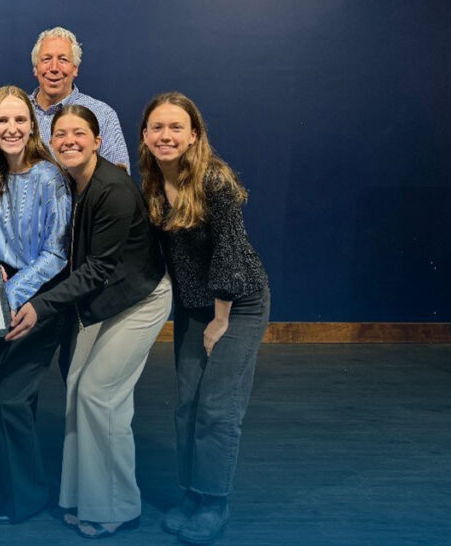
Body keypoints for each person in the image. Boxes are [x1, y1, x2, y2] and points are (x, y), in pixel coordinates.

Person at [8, 105, 172, 539]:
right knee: (79, 388)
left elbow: (98, 268)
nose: (69, 142)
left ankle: (119, 507)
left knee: (101, 395)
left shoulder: (113, 190)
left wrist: (40, 307)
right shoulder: (71, 181)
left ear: (98, 141)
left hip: (140, 298)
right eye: (60, 134)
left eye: (79, 134)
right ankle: (82, 497)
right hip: (101, 301)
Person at [139, 92, 269, 545]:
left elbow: (230, 254)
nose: (166, 135)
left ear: (194, 134)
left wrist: (220, 320)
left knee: (218, 407)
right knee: (187, 404)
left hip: (236, 303)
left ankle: (215, 502)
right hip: (194, 305)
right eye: (158, 127)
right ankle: (192, 494)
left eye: (176, 127)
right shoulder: (154, 183)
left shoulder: (215, 180)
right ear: (146, 135)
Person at [0, 85, 70, 525]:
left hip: (37, 302)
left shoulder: (50, 176)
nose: (11, 128)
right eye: (1, 120)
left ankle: (28, 497)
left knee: (9, 400)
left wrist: (12, 295)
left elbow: (56, 253)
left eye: (20, 120)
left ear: (32, 125)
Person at [28, 27, 130, 172]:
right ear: (35, 68)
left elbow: (118, 181)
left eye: (63, 59)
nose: (54, 67)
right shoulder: (16, 112)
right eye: (46, 59)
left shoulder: (103, 115)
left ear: (75, 68)